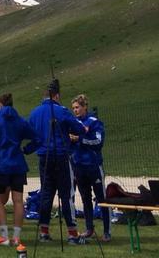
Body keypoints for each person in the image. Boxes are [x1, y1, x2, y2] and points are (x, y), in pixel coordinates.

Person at [29, 79, 88, 245]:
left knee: (46, 194)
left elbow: (32, 134)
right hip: (61, 156)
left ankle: (44, 231)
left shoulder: (34, 112)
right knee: (66, 194)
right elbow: (79, 129)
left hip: (43, 158)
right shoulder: (61, 110)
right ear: (57, 95)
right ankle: (72, 233)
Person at [0, 93, 38, 247]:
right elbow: (37, 137)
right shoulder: (20, 120)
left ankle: (4, 236)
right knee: (18, 200)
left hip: (1, 163)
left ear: (0, 105)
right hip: (18, 163)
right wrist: (27, 149)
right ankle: (16, 237)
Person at [70, 94, 111, 242]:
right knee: (85, 199)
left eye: (78, 107)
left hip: (94, 165)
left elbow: (98, 142)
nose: (75, 110)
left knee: (102, 199)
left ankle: (107, 231)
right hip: (79, 166)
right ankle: (89, 229)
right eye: (73, 108)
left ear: (85, 107)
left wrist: (80, 139)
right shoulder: (73, 123)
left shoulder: (94, 122)